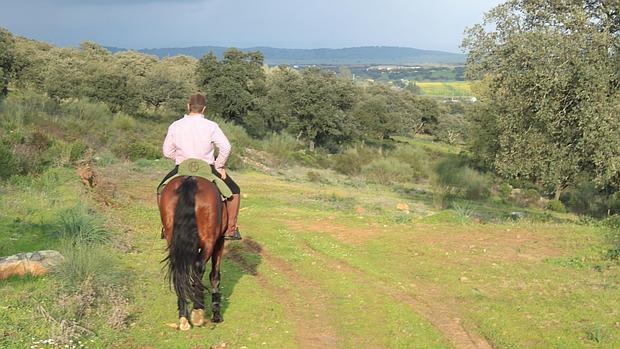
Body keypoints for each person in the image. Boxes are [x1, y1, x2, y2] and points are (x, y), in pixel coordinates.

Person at [159, 93, 242, 240]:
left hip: (182, 167)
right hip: (207, 168)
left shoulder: (175, 125)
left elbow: (167, 151)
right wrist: (219, 165)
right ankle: (230, 229)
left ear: (188, 106)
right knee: (234, 191)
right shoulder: (211, 126)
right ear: (204, 109)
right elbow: (226, 147)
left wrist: (179, 158)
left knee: (161, 190)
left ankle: (166, 227)